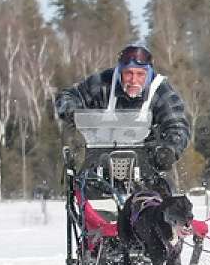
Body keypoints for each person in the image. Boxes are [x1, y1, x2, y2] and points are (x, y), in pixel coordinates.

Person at [54, 42, 192, 174]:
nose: (133, 80)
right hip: (98, 164)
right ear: (119, 72)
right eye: (128, 73)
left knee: (161, 195)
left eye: (140, 74)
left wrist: (170, 150)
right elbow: (68, 96)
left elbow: (177, 125)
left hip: (146, 168)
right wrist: (71, 111)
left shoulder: (161, 92)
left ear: (149, 74)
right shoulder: (103, 82)